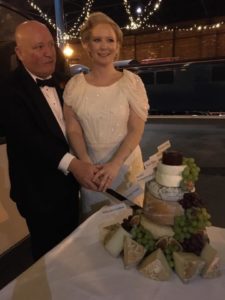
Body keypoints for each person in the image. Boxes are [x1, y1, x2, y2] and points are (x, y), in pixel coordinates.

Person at [0, 20, 100, 261]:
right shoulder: (8, 90)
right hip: (38, 193)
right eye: (38, 47)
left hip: (68, 188)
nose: (47, 53)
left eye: (49, 45)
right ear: (19, 53)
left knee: (72, 250)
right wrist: (75, 165)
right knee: (49, 258)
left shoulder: (61, 82)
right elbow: (30, 139)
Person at [63, 12, 149, 218]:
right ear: (87, 45)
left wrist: (114, 165)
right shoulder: (74, 86)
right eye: (97, 40)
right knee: (94, 235)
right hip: (91, 174)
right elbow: (73, 129)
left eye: (110, 40)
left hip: (126, 170)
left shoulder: (132, 83)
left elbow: (136, 128)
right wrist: (84, 163)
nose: (104, 46)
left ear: (118, 46)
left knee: (132, 232)